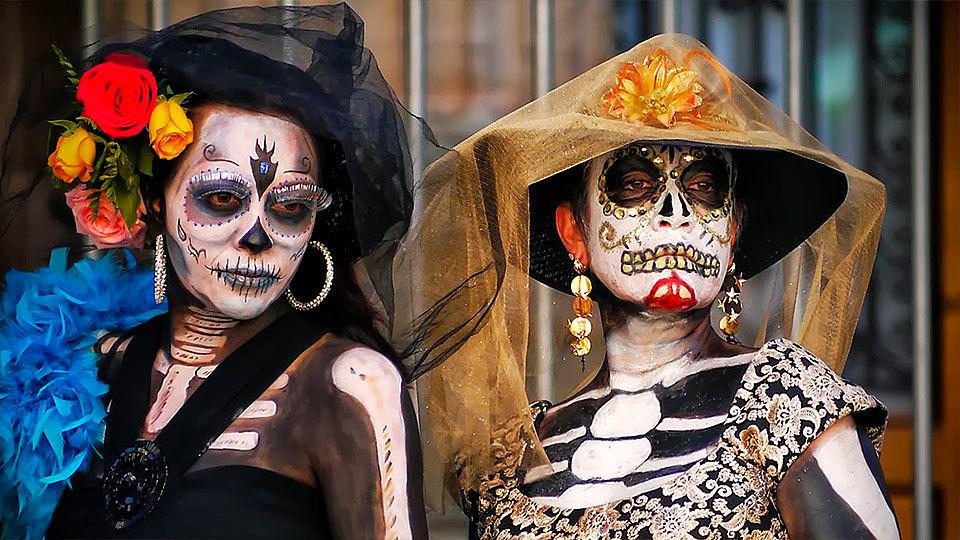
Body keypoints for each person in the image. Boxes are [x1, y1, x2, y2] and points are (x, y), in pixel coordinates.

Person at [422, 35, 900, 539]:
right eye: (635, 186)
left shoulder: (788, 402)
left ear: (732, 234)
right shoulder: (518, 460)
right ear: (574, 233)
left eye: (702, 188)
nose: (675, 216)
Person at [0, 5, 449, 539]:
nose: (257, 236)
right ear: (154, 202)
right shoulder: (87, 375)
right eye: (220, 197)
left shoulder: (350, 385)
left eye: (288, 207)